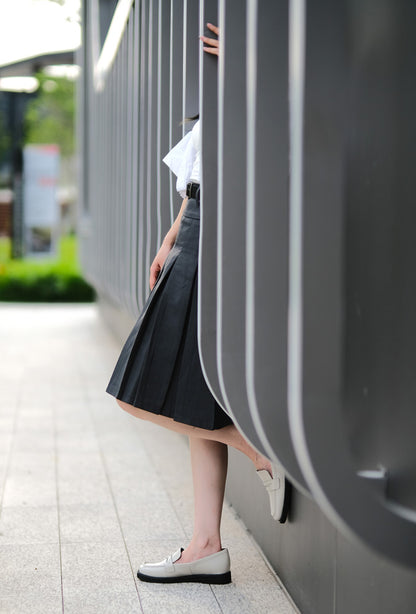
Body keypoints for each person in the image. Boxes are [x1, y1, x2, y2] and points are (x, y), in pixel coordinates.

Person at [106, 23, 289, 585]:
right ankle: (206, 545)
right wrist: (170, 236)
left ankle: (258, 449)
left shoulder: (254, 65)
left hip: (225, 234)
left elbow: (286, 130)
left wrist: (251, 62)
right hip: (200, 228)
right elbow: (201, 178)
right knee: (194, 391)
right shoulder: (220, 82)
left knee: (141, 392)